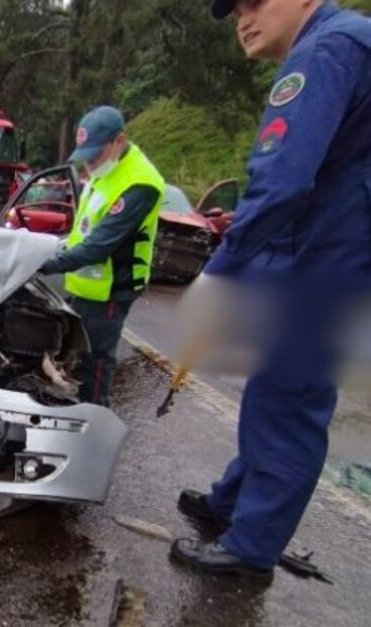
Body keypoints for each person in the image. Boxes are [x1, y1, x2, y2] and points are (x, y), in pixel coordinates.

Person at [171, 0, 371, 583]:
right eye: (234, 10)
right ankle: (232, 504)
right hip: (336, 249)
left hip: (334, 260)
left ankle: (250, 550)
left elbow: (282, 178)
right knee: (274, 386)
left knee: (287, 396)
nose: (243, 19)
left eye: (254, 3)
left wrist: (223, 269)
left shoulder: (327, 50)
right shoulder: (353, 41)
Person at [38, 106, 167, 407]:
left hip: (111, 289)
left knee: (95, 361)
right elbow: (82, 232)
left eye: (95, 155)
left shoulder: (139, 183)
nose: (90, 164)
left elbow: (98, 246)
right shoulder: (104, 172)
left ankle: (94, 422)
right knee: (76, 356)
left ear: (119, 141)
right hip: (85, 284)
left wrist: (42, 264)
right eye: (86, 156)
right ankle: (75, 409)